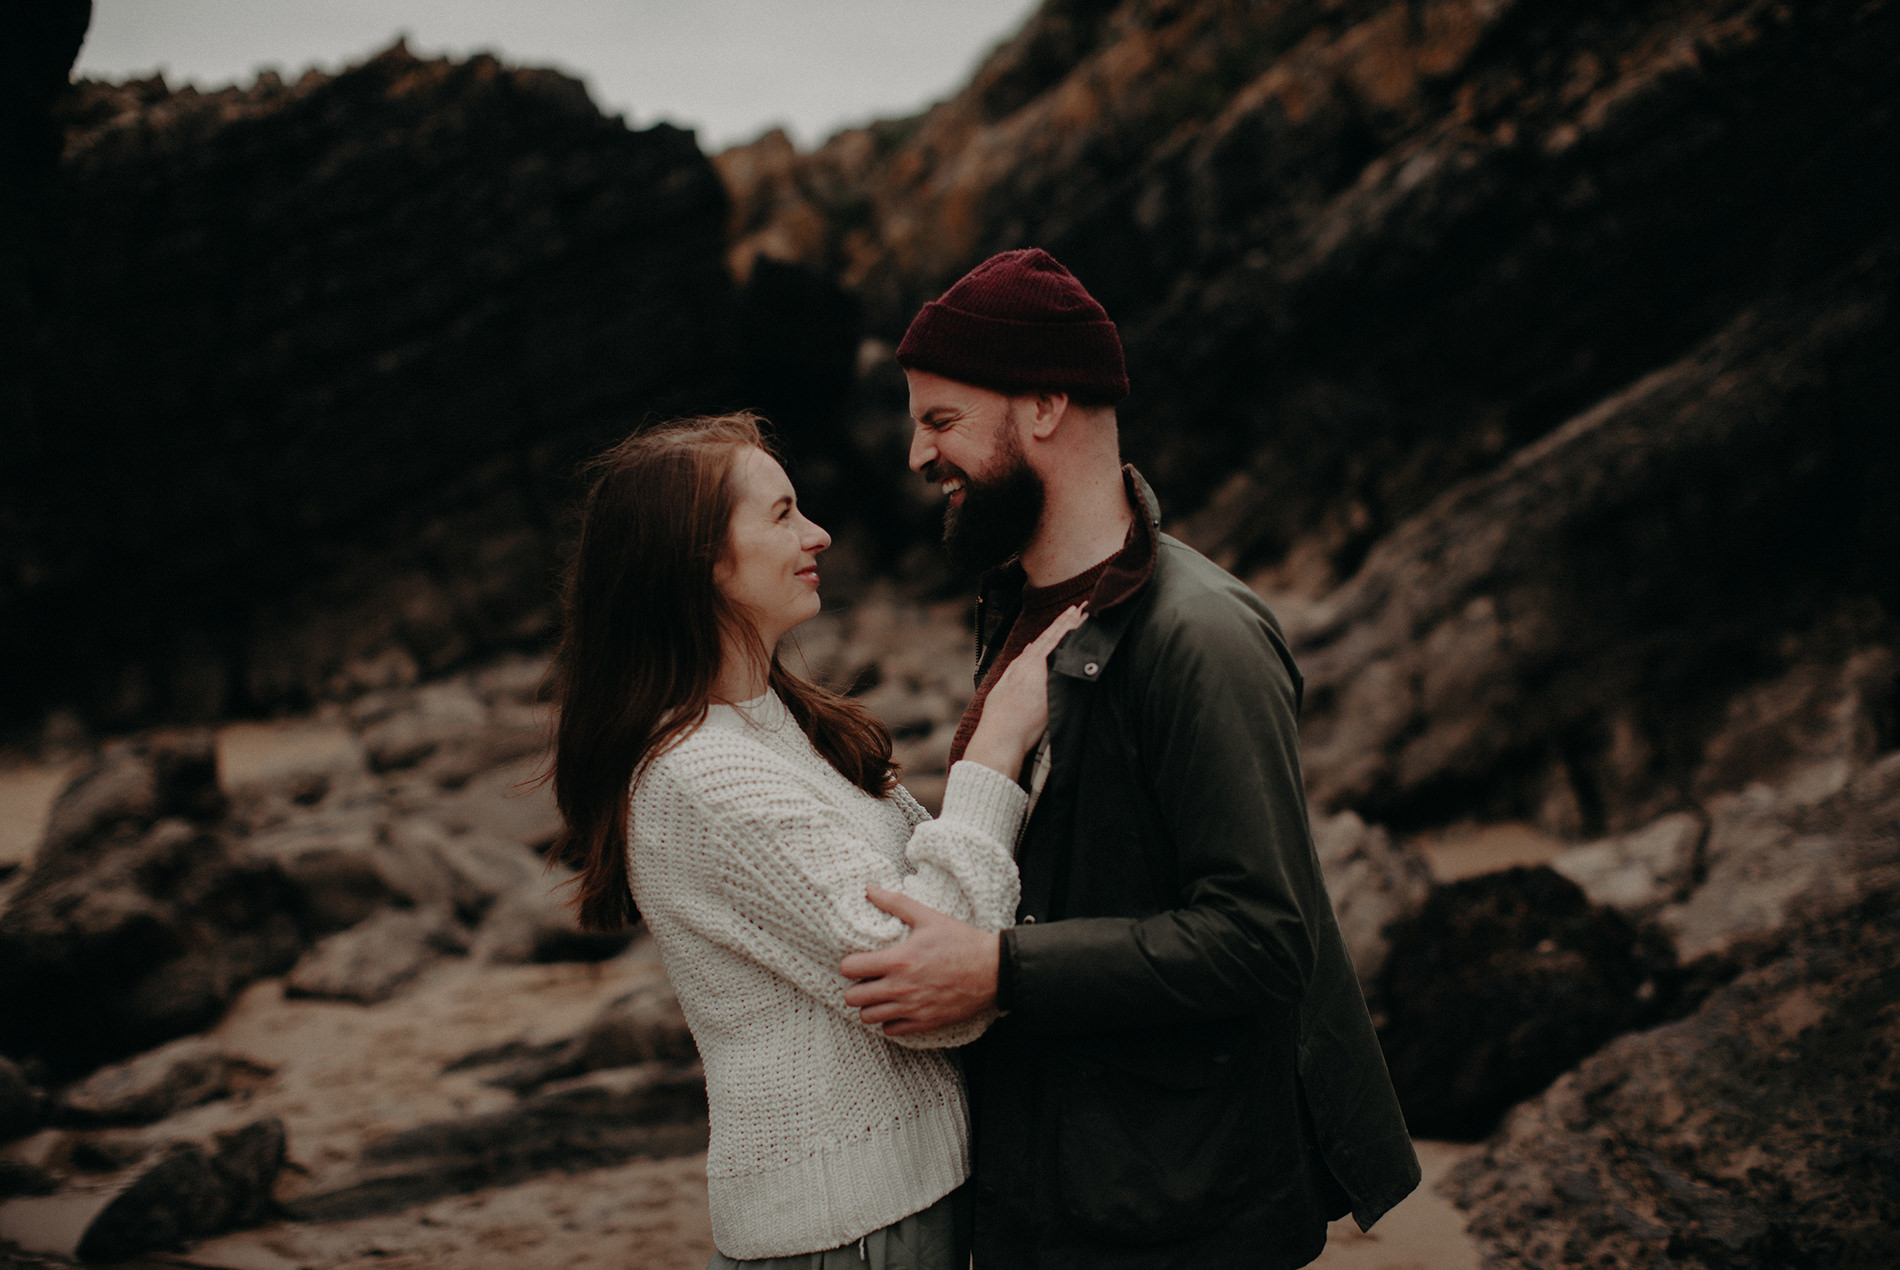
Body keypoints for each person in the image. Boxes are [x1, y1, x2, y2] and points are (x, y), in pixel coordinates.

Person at [837, 249, 1422, 1268]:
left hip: (1181, 1213)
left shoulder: (1202, 634)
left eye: (941, 421)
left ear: (1046, 404)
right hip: (1065, 1193)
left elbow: (1261, 936)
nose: (920, 456)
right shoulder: (1020, 612)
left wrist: (997, 970)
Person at [547, 412, 1086, 1269]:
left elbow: (946, 899)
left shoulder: (781, 725)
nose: (819, 533)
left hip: (905, 1197)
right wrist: (997, 747)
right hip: (850, 1225)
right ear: (703, 564)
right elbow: (929, 987)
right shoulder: (700, 775)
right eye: (782, 515)